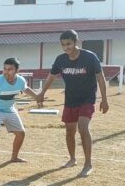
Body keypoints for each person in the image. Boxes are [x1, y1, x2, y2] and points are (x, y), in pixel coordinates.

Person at [37, 30, 109, 177]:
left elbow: (100, 78)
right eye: (63, 45)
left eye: (68, 44)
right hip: (70, 100)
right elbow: (51, 77)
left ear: (76, 42)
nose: (66, 48)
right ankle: (72, 159)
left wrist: (105, 100)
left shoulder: (90, 57)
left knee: (83, 128)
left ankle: (88, 164)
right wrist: (42, 93)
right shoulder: (60, 60)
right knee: (70, 131)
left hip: (87, 99)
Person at [0, 57, 41, 173]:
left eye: (10, 69)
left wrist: (37, 97)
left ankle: (14, 157)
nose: (6, 72)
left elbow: (25, 89)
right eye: (5, 69)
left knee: (21, 133)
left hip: (9, 109)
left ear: (17, 70)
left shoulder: (20, 80)